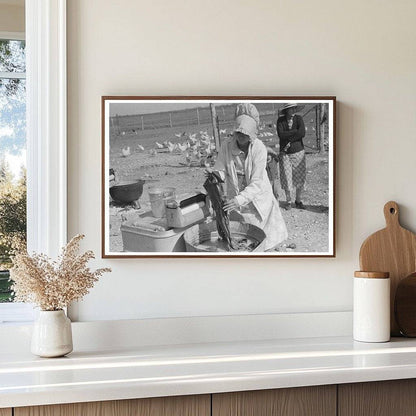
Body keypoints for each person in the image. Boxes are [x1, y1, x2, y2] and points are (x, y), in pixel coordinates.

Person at [212, 113, 288, 251]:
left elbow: (256, 182)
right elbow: (220, 168)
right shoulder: (226, 146)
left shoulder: (259, 148)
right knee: (242, 231)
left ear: (251, 135)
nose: (241, 136)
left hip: (257, 194)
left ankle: (263, 252)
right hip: (236, 192)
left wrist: (239, 199)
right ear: (234, 132)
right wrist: (215, 176)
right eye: (238, 132)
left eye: (245, 134)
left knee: (262, 232)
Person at [276, 103, 306, 210]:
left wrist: (289, 138)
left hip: (298, 152)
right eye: (291, 108)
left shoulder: (299, 119)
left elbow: (302, 133)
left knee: (299, 177)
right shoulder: (280, 121)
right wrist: (295, 132)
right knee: (286, 177)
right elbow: (281, 135)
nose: (293, 110)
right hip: (285, 153)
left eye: (294, 108)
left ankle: (298, 200)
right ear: (286, 110)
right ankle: (288, 201)